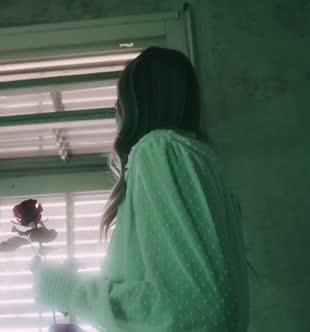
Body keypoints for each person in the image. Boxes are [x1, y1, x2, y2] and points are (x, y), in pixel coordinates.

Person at [31, 46, 250, 331]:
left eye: (120, 100)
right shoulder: (202, 169)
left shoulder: (159, 149)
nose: (115, 112)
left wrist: (70, 291)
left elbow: (198, 310)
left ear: (133, 105)